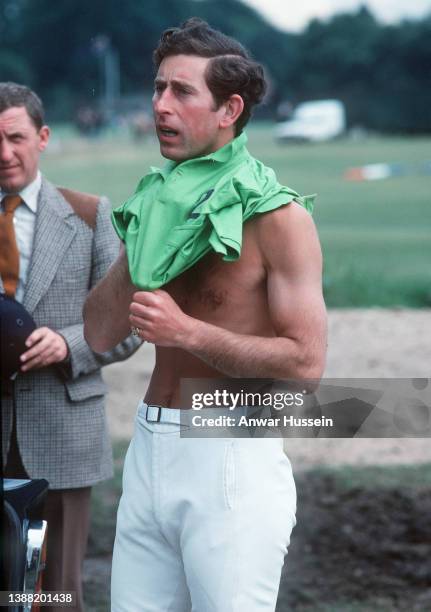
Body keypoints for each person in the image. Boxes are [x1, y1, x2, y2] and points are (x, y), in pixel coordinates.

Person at [84, 18, 327, 611]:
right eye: (159, 88)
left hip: (231, 455)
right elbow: (98, 332)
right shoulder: (155, 201)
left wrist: (187, 331)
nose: (160, 106)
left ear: (229, 109)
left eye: (182, 92)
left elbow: (306, 363)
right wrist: (146, 236)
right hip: (147, 447)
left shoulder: (280, 218)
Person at [0, 82, 141, 611]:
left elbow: (129, 322)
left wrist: (68, 344)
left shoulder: (89, 216)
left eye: (15, 138)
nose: (4, 154)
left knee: (56, 593)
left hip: (63, 434)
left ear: (43, 137)